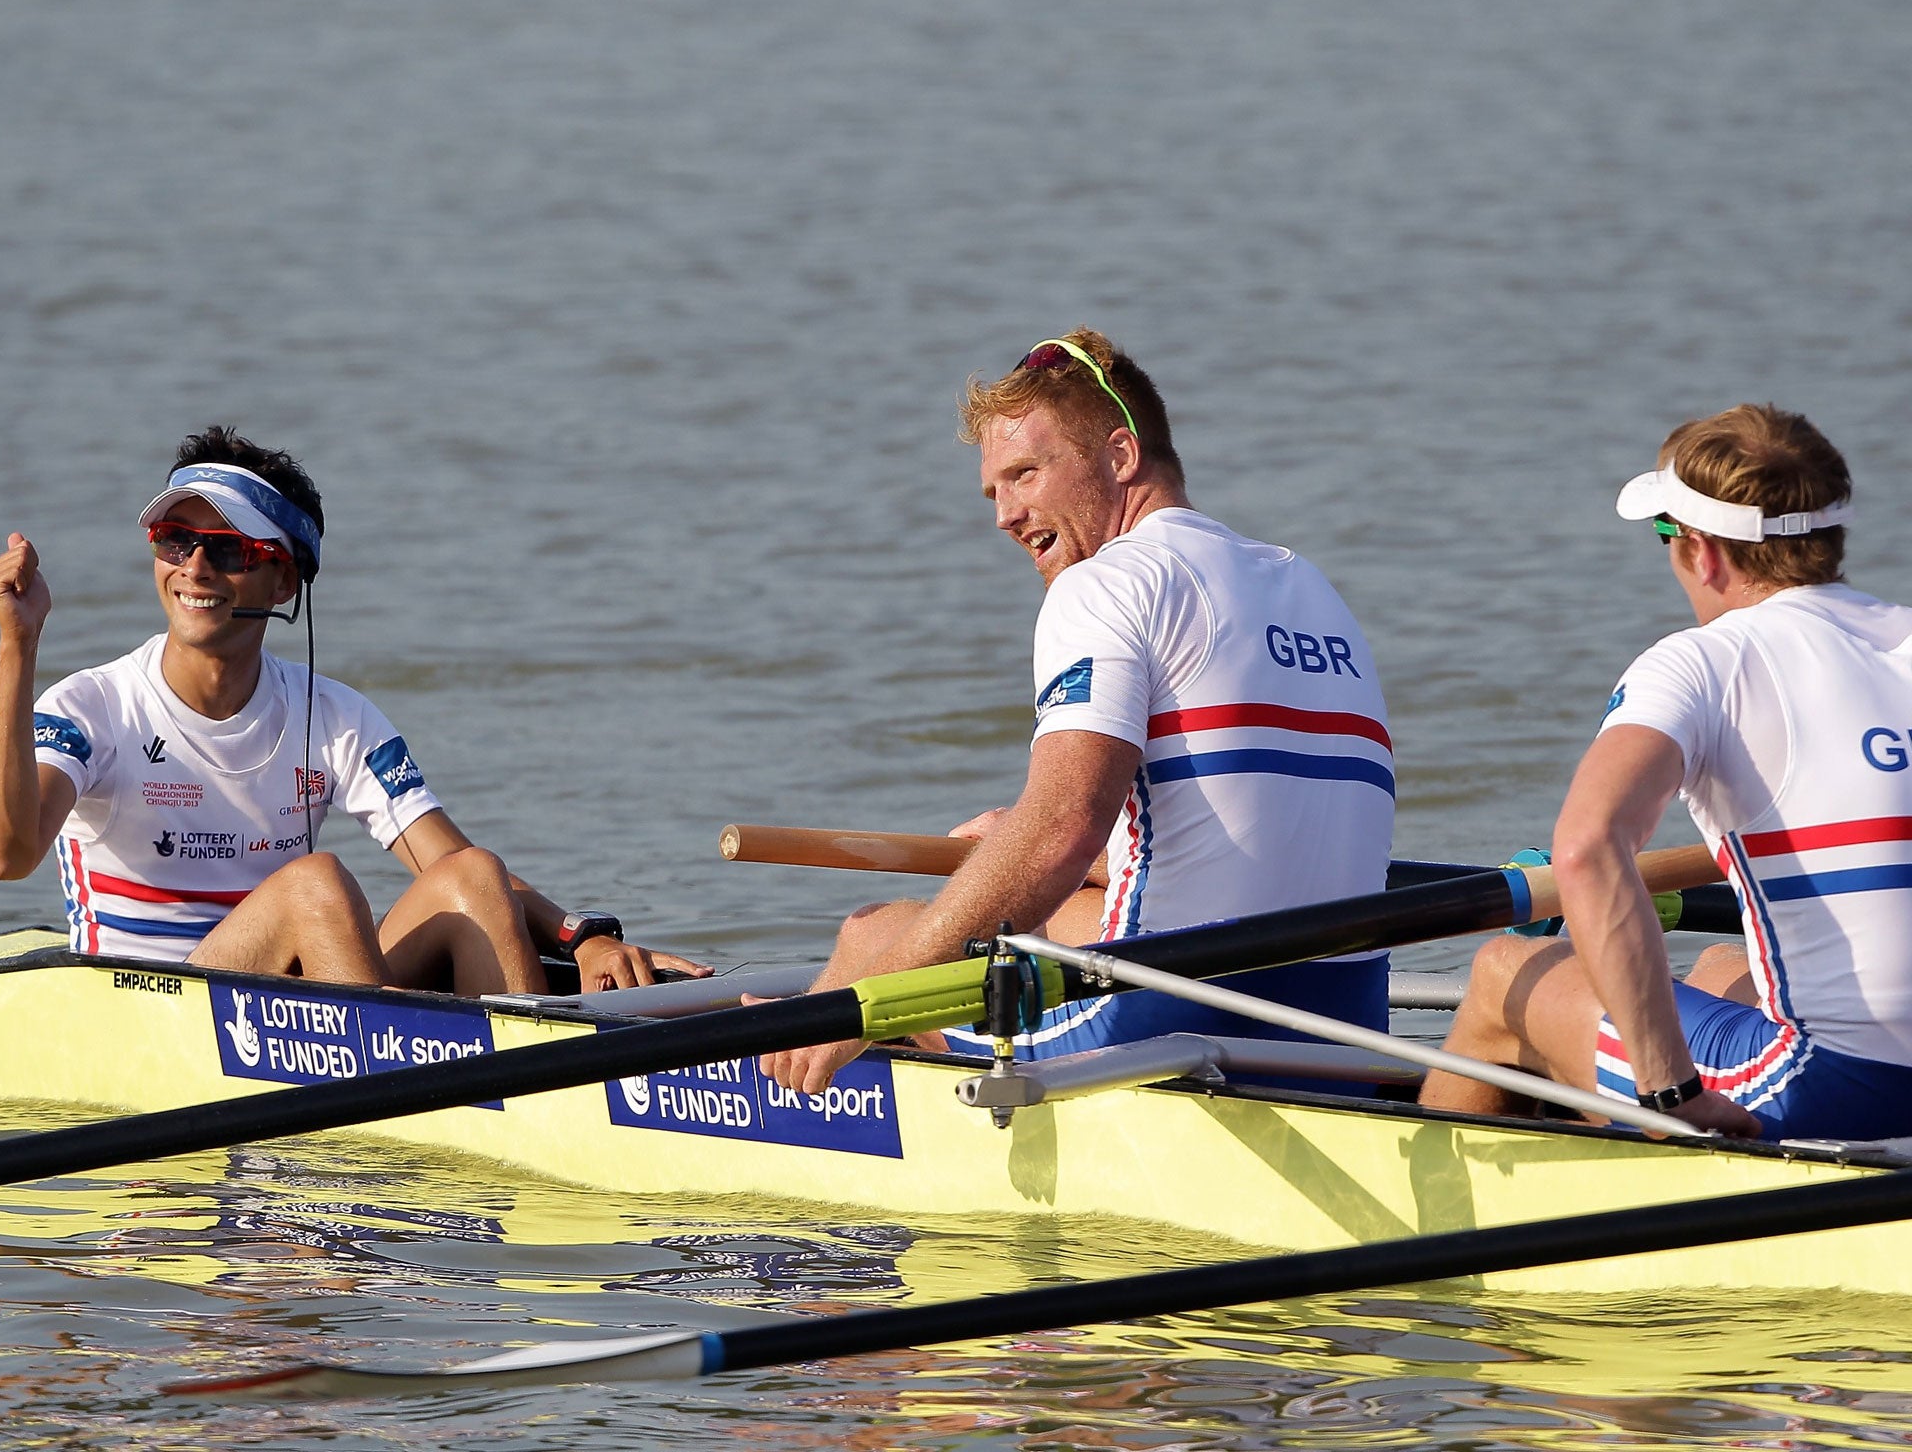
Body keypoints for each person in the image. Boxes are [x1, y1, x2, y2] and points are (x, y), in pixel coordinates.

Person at [761, 331, 1395, 1094]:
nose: (1004, 515)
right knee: (1030, 896)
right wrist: (1016, 844)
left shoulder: (1105, 585)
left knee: (874, 939)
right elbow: (1247, 823)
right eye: (995, 491)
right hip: (1342, 1027)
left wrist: (860, 1002)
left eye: (1025, 474)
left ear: (1121, 456)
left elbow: (1061, 829)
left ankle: (800, 1087)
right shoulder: (1306, 585)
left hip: (1170, 1020)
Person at [0, 426, 705, 996]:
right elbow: (5, 856)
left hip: (288, 997)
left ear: (284, 578)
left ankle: (536, 1099)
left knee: (475, 874)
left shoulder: (338, 717)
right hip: (144, 1010)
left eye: (227, 549)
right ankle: (406, 1110)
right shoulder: (91, 706)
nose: (194, 567)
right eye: (175, 540)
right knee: (315, 885)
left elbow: (450, 864)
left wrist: (583, 939)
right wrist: (19, 645)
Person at [1420, 403, 1912, 1142]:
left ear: (1704, 552)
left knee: (1501, 971)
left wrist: (1670, 1092)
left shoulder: (1703, 662)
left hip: (1840, 1094)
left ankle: (1424, 1234)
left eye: (1665, 537)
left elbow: (1587, 851)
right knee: (1719, 967)